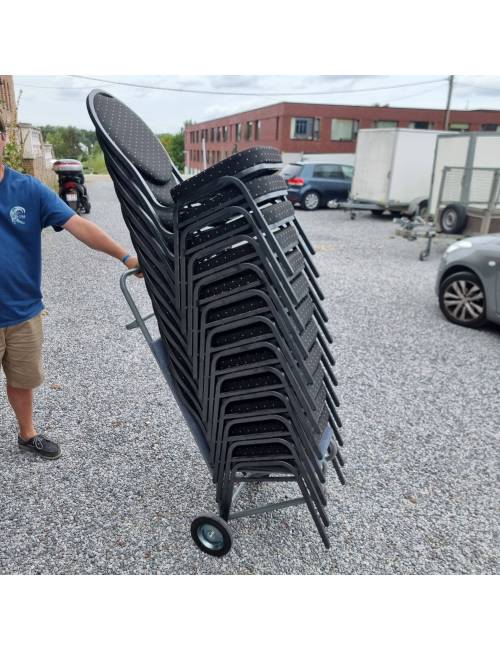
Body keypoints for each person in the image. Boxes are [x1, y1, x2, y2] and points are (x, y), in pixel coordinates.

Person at [0, 116, 141, 460]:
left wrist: (125, 257)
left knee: (23, 379)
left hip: (22, 312)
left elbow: (78, 224)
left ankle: (27, 433)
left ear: (4, 140)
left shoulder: (29, 190)